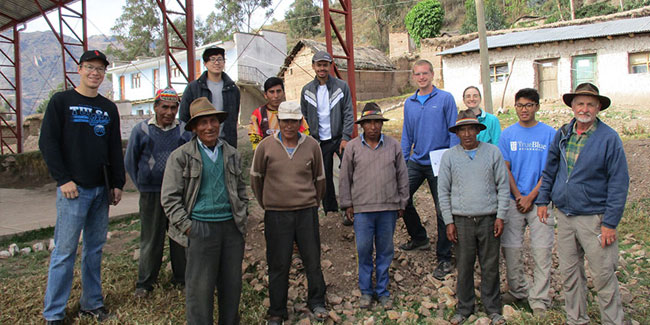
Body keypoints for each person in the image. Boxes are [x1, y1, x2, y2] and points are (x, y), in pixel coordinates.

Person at [39, 50, 125, 324]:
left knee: (94, 249)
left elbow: (114, 149)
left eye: (100, 69)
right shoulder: (61, 102)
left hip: (101, 190)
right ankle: (54, 313)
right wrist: (63, 179)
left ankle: (92, 303)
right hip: (73, 191)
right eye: (90, 67)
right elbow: (48, 143)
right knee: (64, 252)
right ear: (79, 69)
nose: (95, 73)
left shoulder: (108, 108)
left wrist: (118, 183)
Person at [536, 83, 629, 325]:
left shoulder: (609, 138)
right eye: (580, 103)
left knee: (603, 274)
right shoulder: (564, 133)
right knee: (570, 273)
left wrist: (610, 223)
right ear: (572, 106)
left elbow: (619, 183)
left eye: (590, 104)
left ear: (598, 107)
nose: (584, 108)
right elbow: (551, 169)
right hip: (565, 216)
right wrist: (543, 199)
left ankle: (613, 321)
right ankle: (576, 319)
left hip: (594, 218)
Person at [161, 97, 248, 325]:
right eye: (203, 123)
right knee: (200, 290)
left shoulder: (231, 153)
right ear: (194, 128)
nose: (209, 127)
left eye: (213, 121)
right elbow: (169, 199)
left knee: (231, 286)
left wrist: (241, 215)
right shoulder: (181, 156)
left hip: (231, 228)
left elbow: (241, 189)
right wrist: (188, 227)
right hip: (199, 228)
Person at [250, 101, 329, 324]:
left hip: (306, 212)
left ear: (300, 122)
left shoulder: (312, 145)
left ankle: (317, 301)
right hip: (276, 213)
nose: (289, 126)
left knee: (312, 259)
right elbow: (256, 178)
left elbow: (320, 179)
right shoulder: (266, 146)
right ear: (279, 121)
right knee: (278, 262)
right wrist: (268, 202)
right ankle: (277, 310)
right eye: (285, 121)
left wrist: (313, 203)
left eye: (294, 121)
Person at [438, 110, 509, 325]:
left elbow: (503, 187)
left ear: (478, 130)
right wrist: (449, 221)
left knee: (490, 265)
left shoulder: (493, 152)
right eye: (462, 129)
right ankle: (465, 308)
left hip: (488, 218)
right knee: (465, 265)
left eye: (471, 128)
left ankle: (493, 309)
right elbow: (443, 192)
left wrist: (501, 216)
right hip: (462, 221)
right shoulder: (449, 156)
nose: (467, 133)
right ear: (457, 132)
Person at [338, 103, 409, 310]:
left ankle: (383, 291)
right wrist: (347, 204)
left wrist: (402, 201)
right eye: (368, 122)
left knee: (385, 251)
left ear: (381, 124)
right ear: (362, 125)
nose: (373, 127)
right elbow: (345, 178)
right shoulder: (352, 147)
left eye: (377, 122)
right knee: (364, 250)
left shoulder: (393, 145)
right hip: (362, 210)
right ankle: (366, 292)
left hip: (388, 208)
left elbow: (402, 175)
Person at [124, 87, 191, 298]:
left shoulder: (184, 131)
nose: (169, 112)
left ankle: (181, 279)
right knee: (151, 238)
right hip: (151, 193)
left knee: (179, 237)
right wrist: (142, 184)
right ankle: (145, 283)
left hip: (178, 194)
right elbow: (130, 161)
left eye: (173, 108)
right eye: (164, 107)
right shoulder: (141, 130)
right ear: (155, 107)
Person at [498, 88, 556, 316]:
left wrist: (532, 196)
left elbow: (551, 170)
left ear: (537, 107)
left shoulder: (549, 134)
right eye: (520, 105)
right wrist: (519, 195)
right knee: (511, 252)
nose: (524, 109)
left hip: (541, 203)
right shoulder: (508, 135)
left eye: (529, 105)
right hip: (514, 202)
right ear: (515, 107)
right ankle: (519, 290)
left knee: (542, 252)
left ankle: (540, 299)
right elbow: (506, 168)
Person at [400, 59, 459, 280]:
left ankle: (444, 257)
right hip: (417, 160)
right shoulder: (410, 103)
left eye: (425, 73)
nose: (422, 77)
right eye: (417, 74)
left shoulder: (445, 99)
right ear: (413, 77)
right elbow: (407, 135)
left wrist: (452, 159)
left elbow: (454, 131)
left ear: (432, 75)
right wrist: (402, 161)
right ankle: (419, 238)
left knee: (442, 209)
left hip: (440, 160)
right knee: (401, 197)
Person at [300, 50, 354, 224]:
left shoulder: (341, 87)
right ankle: (330, 211)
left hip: (339, 138)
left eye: (325, 65)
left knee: (348, 173)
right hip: (319, 141)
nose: (322, 68)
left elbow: (348, 112)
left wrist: (345, 137)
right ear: (314, 66)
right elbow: (304, 117)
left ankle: (350, 209)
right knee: (324, 177)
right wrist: (310, 139)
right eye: (319, 65)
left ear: (330, 66)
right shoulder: (307, 90)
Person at [179, 46, 240, 147]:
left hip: (226, 142)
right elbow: (184, 117)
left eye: (220, 59)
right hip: (200, 142)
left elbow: (233, 118)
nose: (217, 63)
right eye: (212, 59)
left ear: (224, 62)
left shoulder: (233, 89)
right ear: (205, 63)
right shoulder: (194, 88)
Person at [249, 77, 309, 150]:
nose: (276, 96)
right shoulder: (258, 114)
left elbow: (305, 136)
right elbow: (256, 143)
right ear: (265, 95)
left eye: (278, 91)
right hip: (269, 157)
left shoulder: (293, 111)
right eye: (272, 92)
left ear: (284, 93)